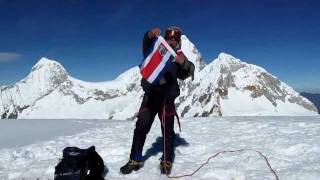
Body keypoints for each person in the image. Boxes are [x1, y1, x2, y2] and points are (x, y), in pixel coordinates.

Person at [120, 26, 195, 175]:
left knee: (167, 132)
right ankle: (134, 160)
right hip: (151, 97)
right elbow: (146, 43)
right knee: (141, 128)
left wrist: (184, 63)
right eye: (170, 36)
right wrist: (149, 34)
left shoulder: (178, 56)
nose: (172, 39)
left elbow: (189, 70)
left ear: (178, 40)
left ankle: (166, 160)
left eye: (175, 37)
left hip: (167, 100)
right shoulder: (155, 47)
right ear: (166, 37)